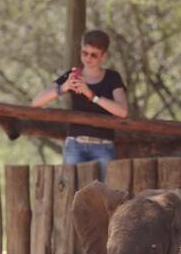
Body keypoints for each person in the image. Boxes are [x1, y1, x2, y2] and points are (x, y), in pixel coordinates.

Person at [32, 29, 127, 177]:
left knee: (102, 195)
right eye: (84, 53)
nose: (88, 58)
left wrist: (91, 95)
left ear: (104, 56)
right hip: (74, 144)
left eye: (94, 55)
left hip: (103, 145)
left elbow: (122, 111)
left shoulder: (112, 77)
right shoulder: (73, 74)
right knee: (71, 192)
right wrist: (64, 87)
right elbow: (36, 102)